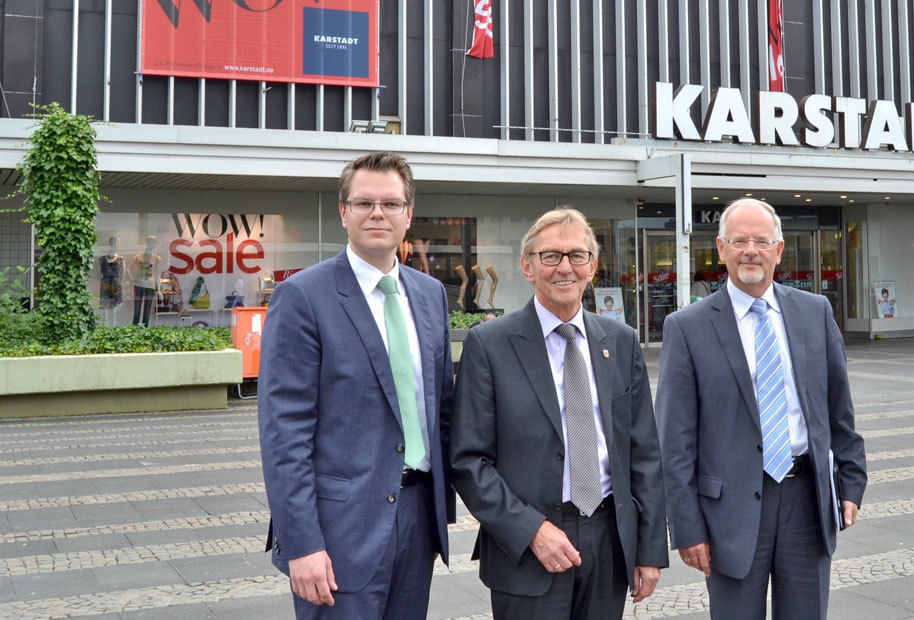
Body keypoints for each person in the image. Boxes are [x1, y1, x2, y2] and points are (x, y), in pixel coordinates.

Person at [258, 152, 455, 619]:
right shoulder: (304, 296)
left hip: (417, 518)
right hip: (337, 532)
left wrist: (437, 520)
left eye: (391, 203)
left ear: (409, 214)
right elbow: (285, 433)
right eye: (364, 203)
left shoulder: (430, 296)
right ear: (343, 211)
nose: (377, 214)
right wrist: (302, 543)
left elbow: (440, 410)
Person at [451, 207, 668, 619]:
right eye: (550, 256)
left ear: (593, 267)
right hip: (527, 547)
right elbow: (468, 460)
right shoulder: (490, 345)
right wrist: (530, 531)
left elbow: (644, 455)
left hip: (608, 540)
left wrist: (649, 548)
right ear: (527, 266)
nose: (564, 267)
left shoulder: (621, 343)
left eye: (576, 255)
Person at [655, 198, 867, 620]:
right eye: (739, 241)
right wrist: (686, 527)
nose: (750, 250)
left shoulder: (815, 312)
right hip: (728, 512)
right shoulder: (687, 327)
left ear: (779, 249)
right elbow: (673, 440)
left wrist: (852, 479)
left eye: (760, 241)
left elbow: (838, 406)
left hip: (807, 500)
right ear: (721, 248)